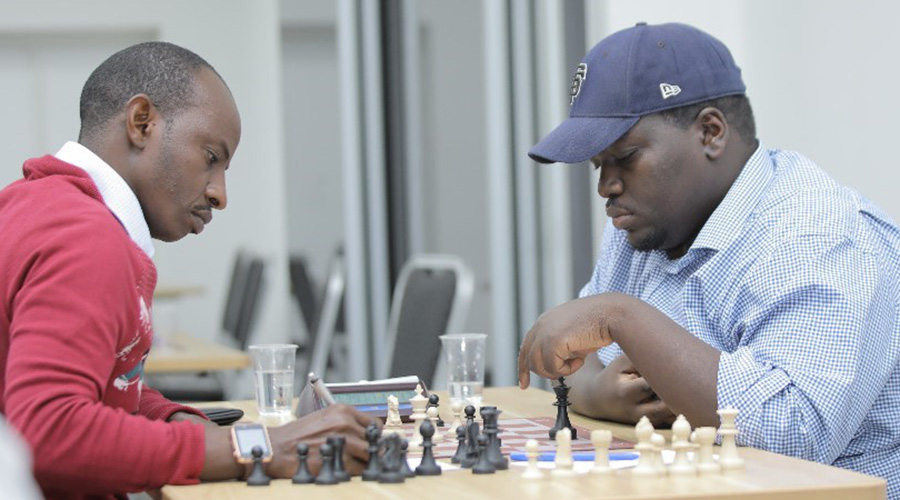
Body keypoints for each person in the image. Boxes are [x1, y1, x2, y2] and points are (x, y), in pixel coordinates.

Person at [516, 22, 900, 497]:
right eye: (599, 166)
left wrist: (621, 316)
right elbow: (583, 367)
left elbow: (792, 438)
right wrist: (600, 396)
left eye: (626, 157)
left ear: (711, 133)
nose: (606, 188)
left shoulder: (821, 235)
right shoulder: (643, 223)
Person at [0, 42, 372, 500]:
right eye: (211, 158)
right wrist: (257, 448)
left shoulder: (41, 205)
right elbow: (49, 433)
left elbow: (104, 393)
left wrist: (177, 420)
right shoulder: (85, 236)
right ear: (142, 123)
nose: (220, 194)